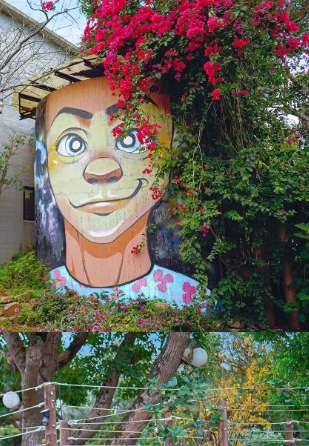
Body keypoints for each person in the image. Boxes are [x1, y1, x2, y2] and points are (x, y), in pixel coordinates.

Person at [36, 75, 201, 305]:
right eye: (72, 144)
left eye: (132, 138)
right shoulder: (46, 284)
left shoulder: (193, 298)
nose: (101, 169)